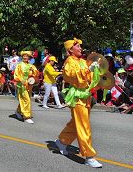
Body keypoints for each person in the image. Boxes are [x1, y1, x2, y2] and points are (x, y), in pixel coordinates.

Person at [55, 38, 103, 168]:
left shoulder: (83, 61)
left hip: (85, 96)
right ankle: (89, 156)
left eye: (80, 47)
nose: (81, 49)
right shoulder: (69, 62)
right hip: (76, 96)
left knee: (76, 123)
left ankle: (62, 142)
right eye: (78, 47)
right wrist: (88, 70)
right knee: (84, 126)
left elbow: (89, 78)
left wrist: (95, 70)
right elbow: (72, 76)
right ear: (70, 49)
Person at [13, 51, 38, 124]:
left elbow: (36, 73)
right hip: (22, 85)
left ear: (29, 58)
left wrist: (32, 70)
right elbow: (16, 75)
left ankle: (18, 111)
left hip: (29, 85)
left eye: (27, 56)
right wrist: (21, 80)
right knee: (26, 100)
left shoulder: (31, 65)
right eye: (24, 56)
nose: (25, 57)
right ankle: (26, 116)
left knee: (25, 100)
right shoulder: (19, 65)